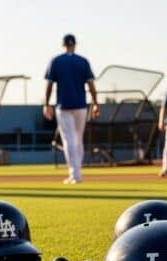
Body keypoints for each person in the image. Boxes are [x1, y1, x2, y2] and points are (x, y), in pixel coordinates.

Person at [43, 34, 99, 184]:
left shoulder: (56, 61)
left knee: (69, 140)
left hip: (64, 105)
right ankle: (77, 173)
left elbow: (49, 85)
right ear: (75, 44)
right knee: (78, 139)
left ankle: (74, 174)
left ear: (63, 45)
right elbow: (91, 86)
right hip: (81, 105)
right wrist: (95, 103)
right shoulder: (82, 61)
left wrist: (46, 104)